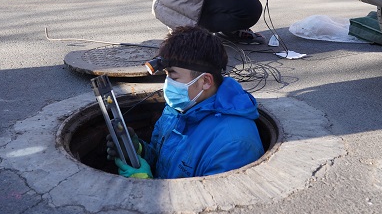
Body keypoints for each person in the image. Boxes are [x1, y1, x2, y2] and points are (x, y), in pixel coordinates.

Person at [108, 25, 265, 179]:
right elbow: (162, 160)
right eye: (167, 75)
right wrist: (139, 150)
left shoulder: (233, 144)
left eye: (174, 77)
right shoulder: (179, 109)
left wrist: (145, 185)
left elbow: (210, 196)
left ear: (206, 81)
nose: (168, 84)